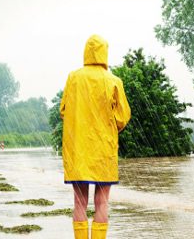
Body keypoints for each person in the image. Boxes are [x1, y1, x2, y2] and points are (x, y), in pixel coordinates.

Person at [60, 34, 131, 239]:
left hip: (78, 149)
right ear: (105, 53)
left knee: (79, 203)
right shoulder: (113, 81)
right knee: (102, 203)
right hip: (103, 150)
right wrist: (107, 126)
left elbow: (63, 110)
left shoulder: (73, 78)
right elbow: (123, 117)